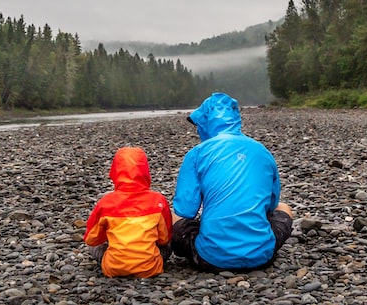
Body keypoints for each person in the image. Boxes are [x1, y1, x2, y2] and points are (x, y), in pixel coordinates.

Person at [171, 92, 293, 272]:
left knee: (172, 215)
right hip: (261, 256)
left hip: (210, 259)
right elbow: (272, 204)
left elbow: (185, 210)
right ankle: (254, 241)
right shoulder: (262, 151)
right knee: (284, 208)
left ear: (205, 122)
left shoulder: (197, 154)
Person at [83, 146, 173, 278]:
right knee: (170, 241)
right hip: (150, 268)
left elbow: (91, 239)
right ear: (145, 171)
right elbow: (164, 239)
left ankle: (119, 258)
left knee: (94, 247)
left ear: (115, 171)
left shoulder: (106, 203)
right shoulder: (158, 200)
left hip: (113, 267)